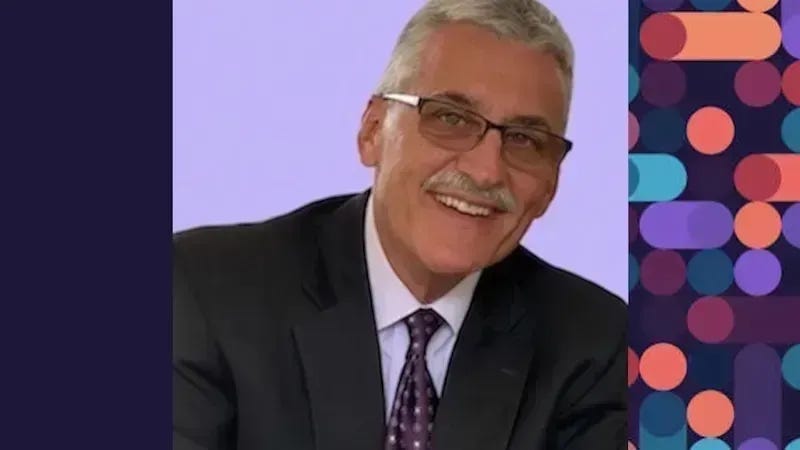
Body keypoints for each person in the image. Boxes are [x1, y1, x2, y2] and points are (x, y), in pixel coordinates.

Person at [173, 0, 627, 449]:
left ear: (551, 184)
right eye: (451, 118)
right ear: (373, 131)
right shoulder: (204, 289)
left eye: (525, 140)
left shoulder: (596, 345)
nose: (487, 171)